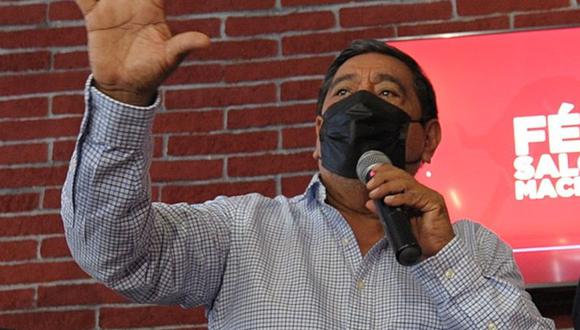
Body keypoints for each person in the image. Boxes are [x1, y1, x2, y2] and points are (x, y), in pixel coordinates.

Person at [62, 0, 554, 329]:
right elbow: (115, 254)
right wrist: (122, 98)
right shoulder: (239, 230)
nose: (361, 104)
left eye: (386, 93)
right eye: (344, 94)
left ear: (427, 138)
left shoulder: (477, 252)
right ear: (320, 135)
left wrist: (443, 260)